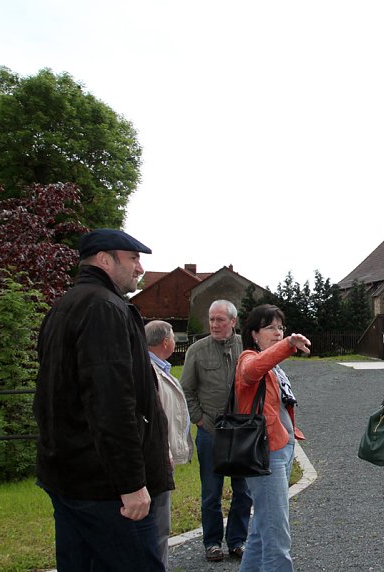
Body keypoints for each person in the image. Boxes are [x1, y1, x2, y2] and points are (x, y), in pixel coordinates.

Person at [34, 228, 173, 571]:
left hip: (70, 479)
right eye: (133, 259)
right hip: (105, 490)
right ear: (105, 260)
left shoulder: (64, 306)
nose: (140, 268)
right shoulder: (103, 308)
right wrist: (130, 483)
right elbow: (111, 404)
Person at [234, 304, 311, 572]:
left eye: (281, 328)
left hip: (282, 449)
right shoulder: (248, 359)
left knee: (260, 531)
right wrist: (288, 344)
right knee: (277, 536)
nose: (278, 333)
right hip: (265, 454)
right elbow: (253, 369)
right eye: (270, 328)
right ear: (254, 334)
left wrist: (291, 435)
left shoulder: (275, 368)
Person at [180, 300, 251, 562]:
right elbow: (186, 389)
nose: (214, 324)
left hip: (243, 433)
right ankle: (212, 543)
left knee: (244, 491)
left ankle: (237, 541)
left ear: (233, 322)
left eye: (220, 319)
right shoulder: (197, 350)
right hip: (211, 432)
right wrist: (199, 420)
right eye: (211, 319)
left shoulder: (247, 348)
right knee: (211, 491)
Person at [145, 320, 194, 570]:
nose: (175, 341)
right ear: (166, 342)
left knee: (158, 527)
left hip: (162, 458)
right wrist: (165, 452)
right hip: (157, 460)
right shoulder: (149, 372)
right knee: (157, 528)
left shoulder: (158, 368)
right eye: (173, 337)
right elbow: (156, 418)